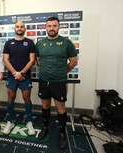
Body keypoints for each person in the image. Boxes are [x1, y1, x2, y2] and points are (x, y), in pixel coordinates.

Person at [36, 17, 78, 149]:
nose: (52, 28)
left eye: (54, 26)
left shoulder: (67, 43)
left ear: (59, 27)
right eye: (49, 26)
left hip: (59, 81)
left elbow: (73, 62)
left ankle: (62, 133)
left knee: (61, 109)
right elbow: (38, 61)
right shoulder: (40, 43)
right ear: (46, 28)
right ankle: (45, 127)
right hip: (43, 80)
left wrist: (61, 71)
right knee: (45, 105)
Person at [3, 21, 36, 135]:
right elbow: (5, 60)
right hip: (12, 76)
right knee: (10, 98)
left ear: (25, 29)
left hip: (25, 76)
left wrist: (21, 73)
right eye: (17, 26)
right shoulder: (8, 43)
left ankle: (29, 122)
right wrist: (15, 73)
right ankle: (10, 121)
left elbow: (32, 60)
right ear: (14, 29)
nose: (20, 28)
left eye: (22, 27)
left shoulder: (30, 42)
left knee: (26, 98)